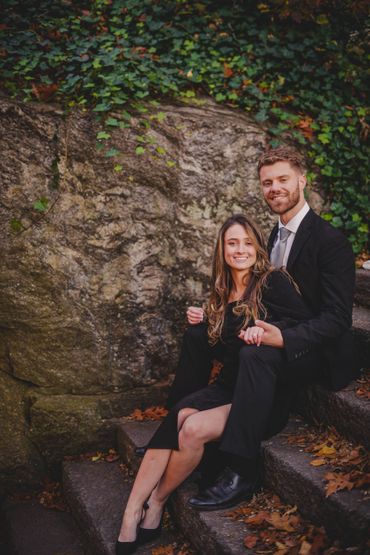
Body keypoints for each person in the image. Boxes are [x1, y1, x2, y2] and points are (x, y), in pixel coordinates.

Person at [116, 214, 313, 554]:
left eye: (247, 243)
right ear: (222, 249)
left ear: (258, 248)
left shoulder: (272, 282)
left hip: (261, 395)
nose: (240, 250)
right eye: (232, 243)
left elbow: (303, 329)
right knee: (179, 416)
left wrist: (267, 333)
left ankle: (159, 500)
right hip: (227, 388)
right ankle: (132, 513)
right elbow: (225, 344)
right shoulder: (222, 291)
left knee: (192, 429)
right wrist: (208, 318)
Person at [187, 146, 357, 511]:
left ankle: (240, 469)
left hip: (313, 350)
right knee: (200, 333)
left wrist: (286, 337)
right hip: (269, 333)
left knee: (255, 353)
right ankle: (177, 426)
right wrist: (217, 312)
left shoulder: (331, 242)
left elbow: (339, 318)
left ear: (302, 179)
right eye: (267, 182)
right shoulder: (270, 236)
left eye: (282, 179)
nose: (275, 188)